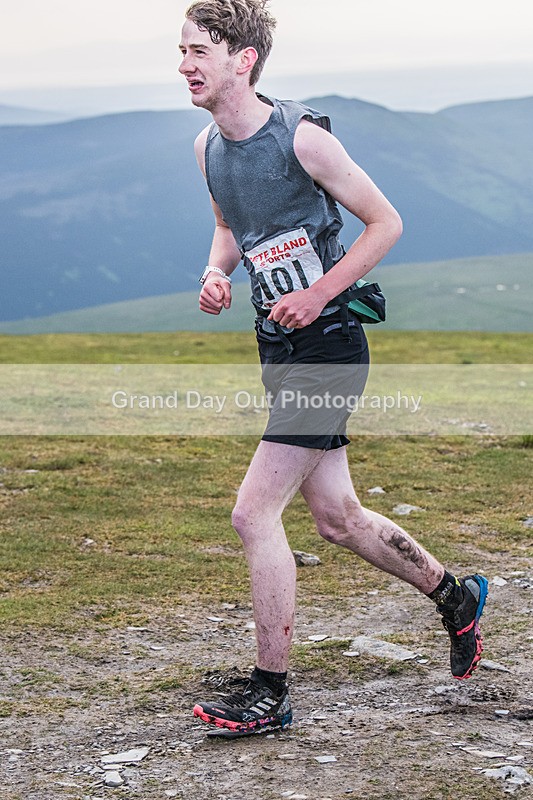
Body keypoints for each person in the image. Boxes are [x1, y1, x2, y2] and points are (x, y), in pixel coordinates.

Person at [179, 0, 488, 737]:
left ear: (241, 60)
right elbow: (230, 229)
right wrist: (216, 272)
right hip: (278, 345)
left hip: (329, 347)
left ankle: (269, 691)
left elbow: (385, 222)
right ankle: (454, 596)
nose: (185, 66)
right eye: (181, 51)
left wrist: (318, 293)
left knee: (253, 514)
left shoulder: (303, 138)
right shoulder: (206, 147)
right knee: (337, 518)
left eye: (198, 52)